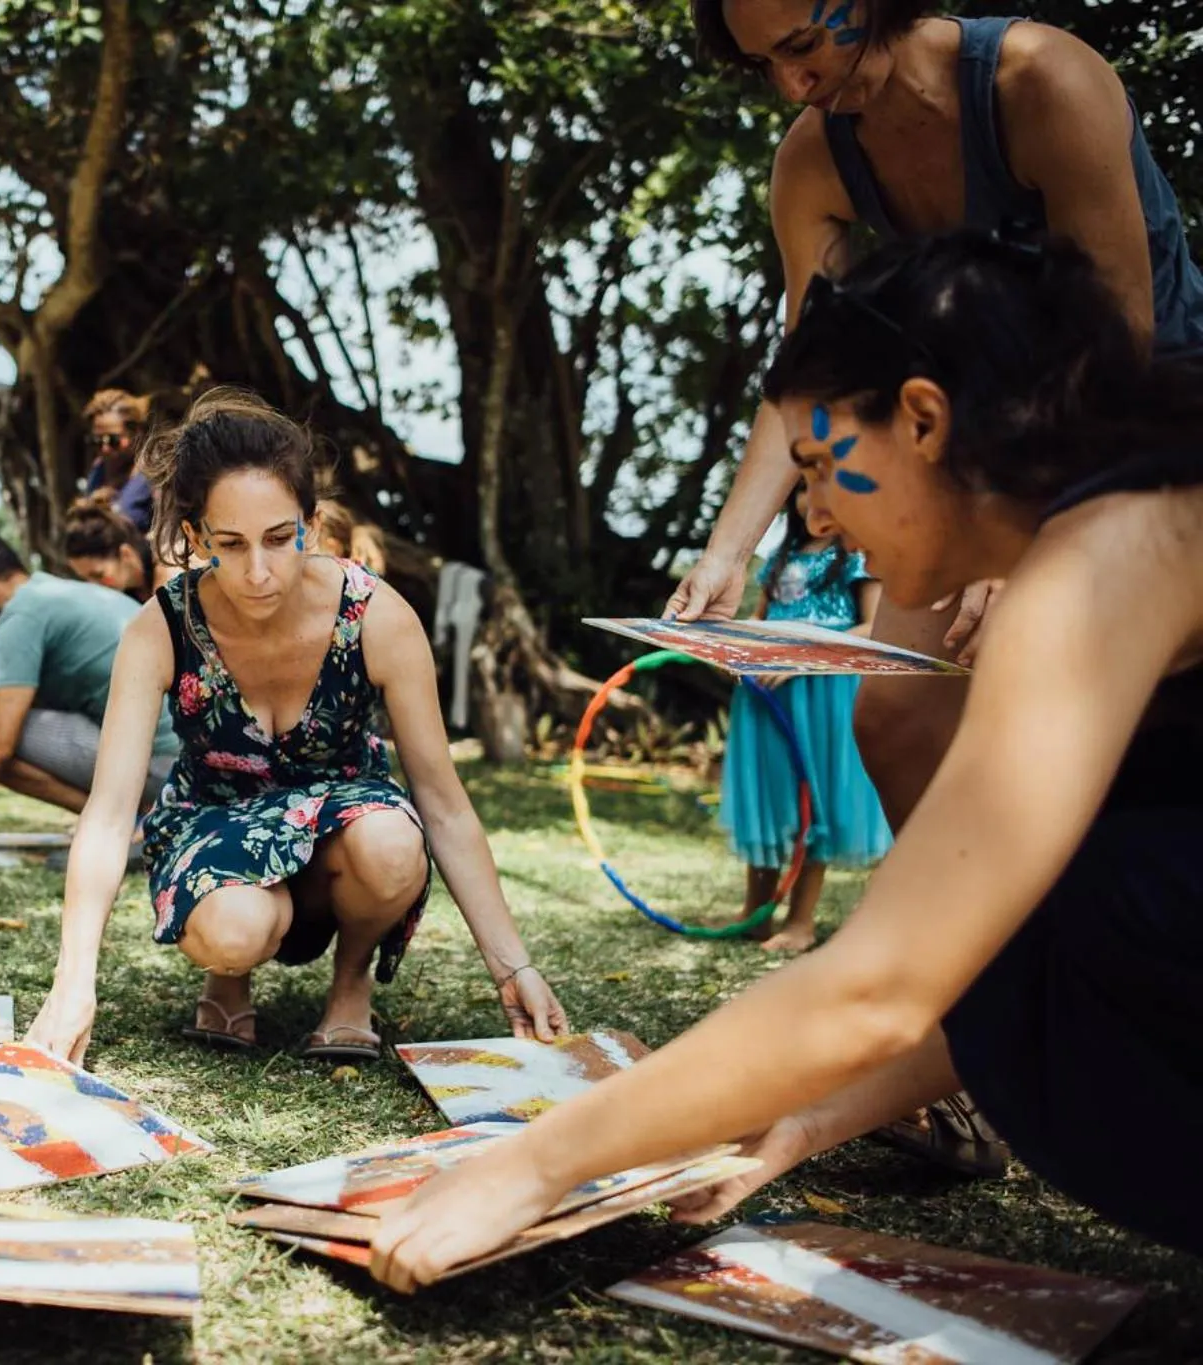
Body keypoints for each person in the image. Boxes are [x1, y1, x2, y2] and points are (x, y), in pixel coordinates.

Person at [368, 228, 1203, 1290]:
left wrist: (531, 1166)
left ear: (921, 418)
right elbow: (1005, 983)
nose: (813, 517)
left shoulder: (1098, 561)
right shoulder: (1118, 521)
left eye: (817, 467)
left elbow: (888, 986)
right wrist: (793, 1127)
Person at [669, 0, 1203, 1171]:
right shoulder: (813, 157)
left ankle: (1078, 1004)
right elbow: (805, 377)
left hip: (1131, 449)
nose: (792, 84)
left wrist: (1046, 555)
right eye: (763, 65)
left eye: (806, 45)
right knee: (897, 709)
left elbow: (1111, 331)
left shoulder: (1040, 82)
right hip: (943, 455)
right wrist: (728, 547)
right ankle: (979, 1019)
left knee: (1105, 775)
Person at [23, 390, 567, 1064]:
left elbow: (446, 807)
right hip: (218, 819)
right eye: (230, 543)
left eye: (280, 538)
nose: (258, 572)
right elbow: (107, 817)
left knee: (396, 844)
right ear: (195, 538)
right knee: (235, 927)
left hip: (347, 820)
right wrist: (73, 983)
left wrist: (513, 967)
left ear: (310, 522)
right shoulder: (160, 626)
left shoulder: (377, 615)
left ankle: (351, 980)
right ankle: (229, 972)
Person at [0, 533, 182, 862]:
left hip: (158, 766)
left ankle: (123, 823)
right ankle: (133, 816)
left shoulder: (20, 616)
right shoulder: (55, 594)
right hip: (184, 764)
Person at [719, 483, 891, 951]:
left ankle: (801, 922)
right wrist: (734, 645)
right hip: (765, 690)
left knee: (812, 803)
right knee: (769, 799)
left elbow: (873, 627)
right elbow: (761, 618)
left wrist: (803, 657)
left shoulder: (857, 555)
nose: (814, 500)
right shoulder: (781, 555)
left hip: (820, 692)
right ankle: (756, 912)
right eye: (804, 489)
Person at [63, 498, 171, 603]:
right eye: (86, 580)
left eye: (99, 575)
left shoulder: (172, 568)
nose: (95, 588)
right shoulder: (128, 596)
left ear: (126, 554)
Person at [80, 389, 154, 532]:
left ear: (136, 435)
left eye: (114, 441)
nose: (105, 448)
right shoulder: (98, 471)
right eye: (97, 441)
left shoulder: (153, 480)